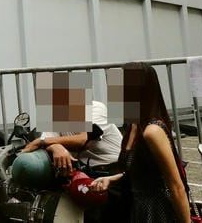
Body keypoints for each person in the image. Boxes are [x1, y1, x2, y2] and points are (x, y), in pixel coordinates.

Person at [90, 64, 191, 223]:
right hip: (138, 210)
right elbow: (142, 172)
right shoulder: (133, 126)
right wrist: (113, 179)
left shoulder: (152, 131)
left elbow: (175, 186)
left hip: (159, 212)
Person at [22, 99, 123, 178]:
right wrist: (55, 147)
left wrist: (41, 141)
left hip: (115, 169)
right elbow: (41, 147)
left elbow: (84, 141)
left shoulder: (95, 108)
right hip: (85, 173)